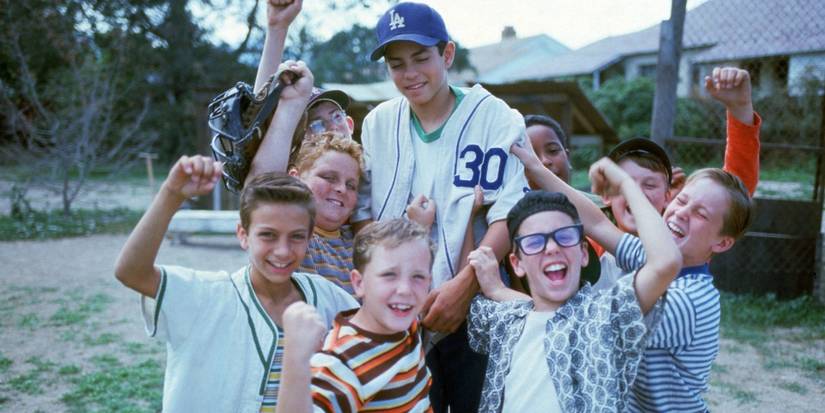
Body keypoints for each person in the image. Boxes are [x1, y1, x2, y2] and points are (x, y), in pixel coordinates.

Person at [354, 3, 530, 410]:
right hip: (396, 308)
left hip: (477, 304)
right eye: (396, 64)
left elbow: (509, 210)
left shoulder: (496, 117)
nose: (410, 73)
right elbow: (361, 210)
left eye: (421, 58)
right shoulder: (378, 123)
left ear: (447, 54)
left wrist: (465, 287)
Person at [513, 143, 754, 412]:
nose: (682, 213)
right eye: (683, 200)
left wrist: (501, 292)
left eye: (701, 214)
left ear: (721, 244)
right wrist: (534, 167)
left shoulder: (689, 300)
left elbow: (588, 330)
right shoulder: (652, 257)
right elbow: (597, 224)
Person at [113, 156, 358, 412]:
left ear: (309, 238)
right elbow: (131, 272)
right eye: (268, 235)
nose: (283, 251)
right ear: (243, 235)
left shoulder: (329, 298)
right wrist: (172, 194)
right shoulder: (208, 296)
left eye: (296, 237)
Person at [466, 156, 681, 412]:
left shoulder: (604, 316)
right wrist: (469, 222)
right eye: (535, 242)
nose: (552, 248)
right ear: (517, 263)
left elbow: (665, 262)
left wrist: (626, 184)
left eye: (564, 237)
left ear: (583, 253)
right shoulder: (505, 318)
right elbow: (471, 287)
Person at [275, 219, 434, 413]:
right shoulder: (340, 364)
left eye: (418, 277)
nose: (405, 290)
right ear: (359, 283)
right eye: (389, 275)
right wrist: (295, 359)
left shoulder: (406, 322)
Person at [247, 0, 357, 178]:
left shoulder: (369, 176)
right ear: (299, 139)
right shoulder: (292, 186)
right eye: (317, 125)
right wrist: (277, 28)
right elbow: (259, 128)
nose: (331, 128)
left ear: (350, 124)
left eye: (336, 116)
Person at [524, 114, 572, 186]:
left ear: (568, 157)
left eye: (553, 150)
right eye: (532, 156)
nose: (545, 161)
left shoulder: (592, 197)